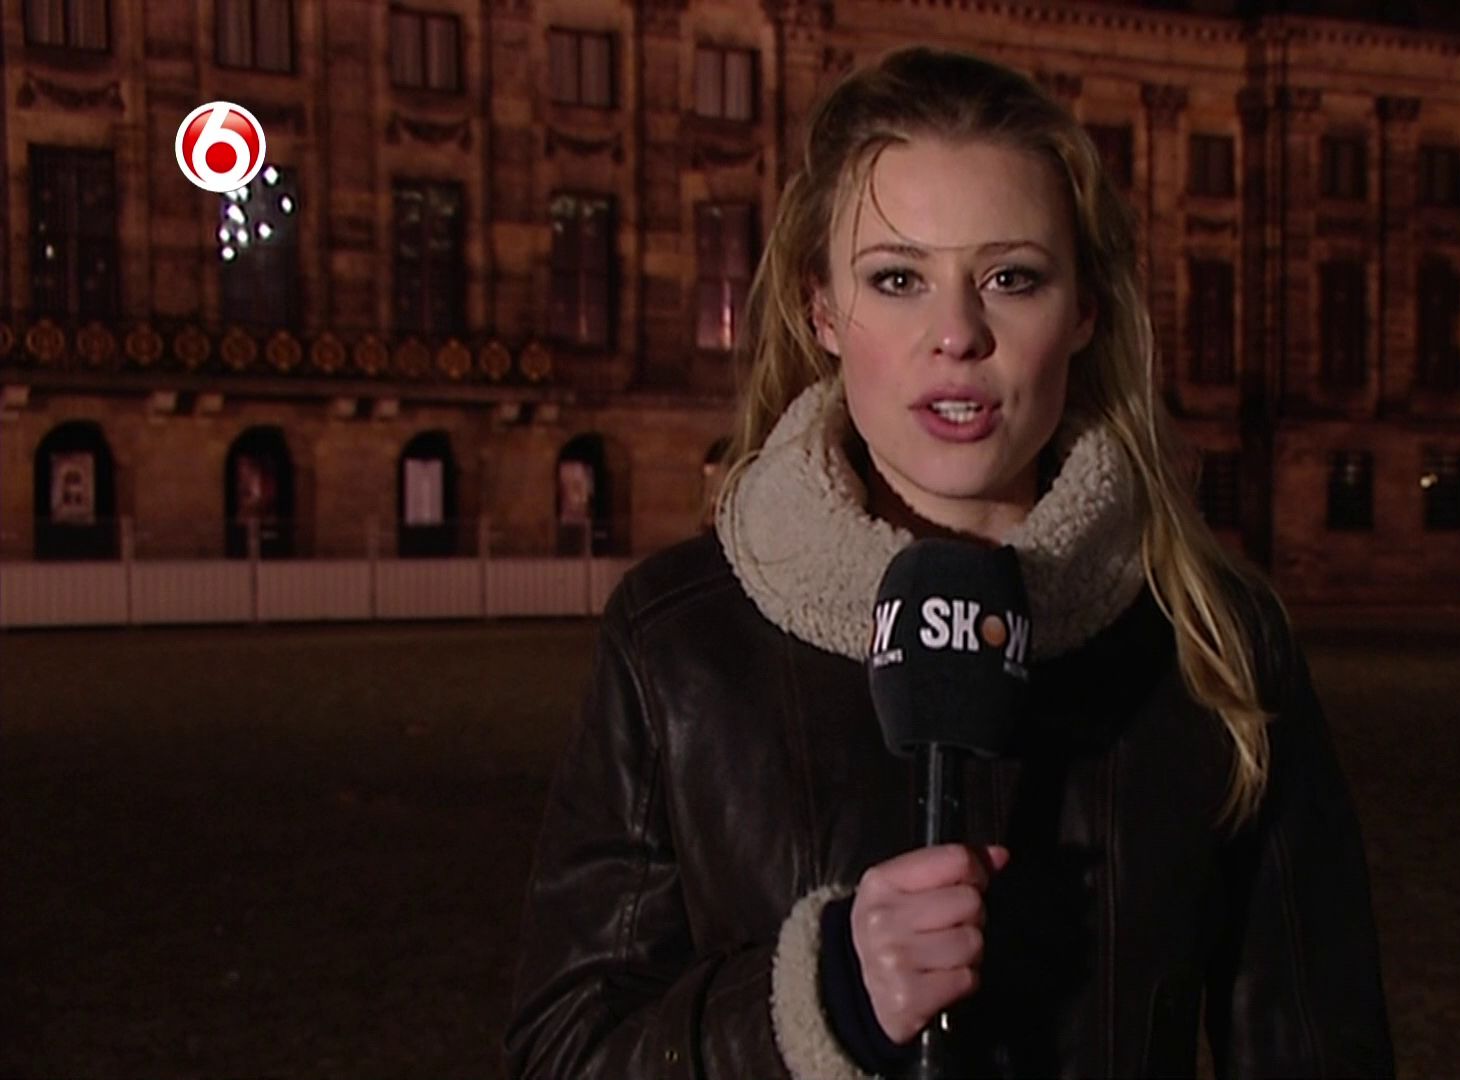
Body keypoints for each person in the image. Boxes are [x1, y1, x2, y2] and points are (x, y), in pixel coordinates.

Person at [504, 45, 1395, 1078]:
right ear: (821, 310)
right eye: (897, 279)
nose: (958, 334)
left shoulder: (1215, 639)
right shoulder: (677, 641)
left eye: (1012, 278)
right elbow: (564, 1051)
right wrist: (819, 1003)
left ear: (1086, 309)